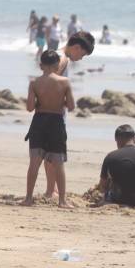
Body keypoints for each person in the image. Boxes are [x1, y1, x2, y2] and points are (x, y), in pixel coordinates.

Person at [42, 32, 95, 199]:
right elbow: (49, 83)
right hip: (53, 114)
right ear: (76, 47)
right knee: (53, 153)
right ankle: (51, 191)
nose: (81, 58)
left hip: (49, 112)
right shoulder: (63, 59)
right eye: (82, 54)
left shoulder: (57, 55)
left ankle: (53, 189)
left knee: (51, 152)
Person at [21, 50, 75, 208]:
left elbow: (30, 108)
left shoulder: (34, 83)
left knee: (34, 163)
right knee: (58, 163)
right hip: (56, 122)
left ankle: (28, 198)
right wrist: (60, 102)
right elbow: (71, 106)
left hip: (39, 122)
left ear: (40, 65)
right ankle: (62, 201)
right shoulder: (64, 82)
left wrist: (40, 103)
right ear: (58, 64)